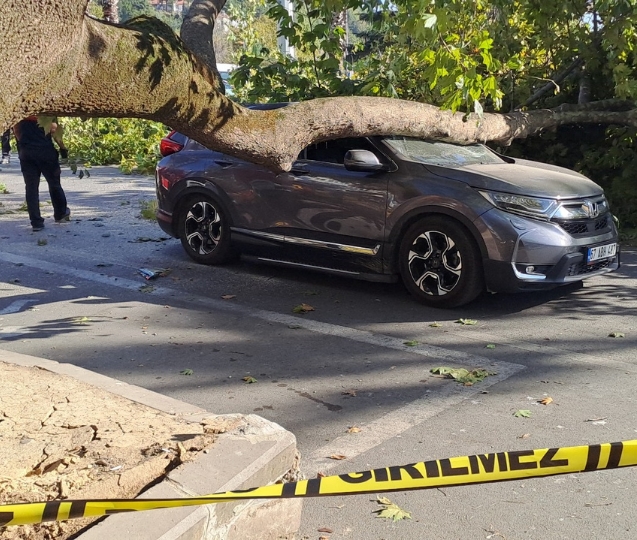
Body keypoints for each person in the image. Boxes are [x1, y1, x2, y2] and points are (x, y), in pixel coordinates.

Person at [14, 116, 70, 232]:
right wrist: (63, 149)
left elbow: (16, 131)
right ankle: (60, 213)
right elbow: (54, 131)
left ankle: (36, 222)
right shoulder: (46, 113)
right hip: (45, 152)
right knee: (54, 183)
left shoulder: (21, 113)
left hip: (27, 153)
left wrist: (24, 144)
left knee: (31, 188)